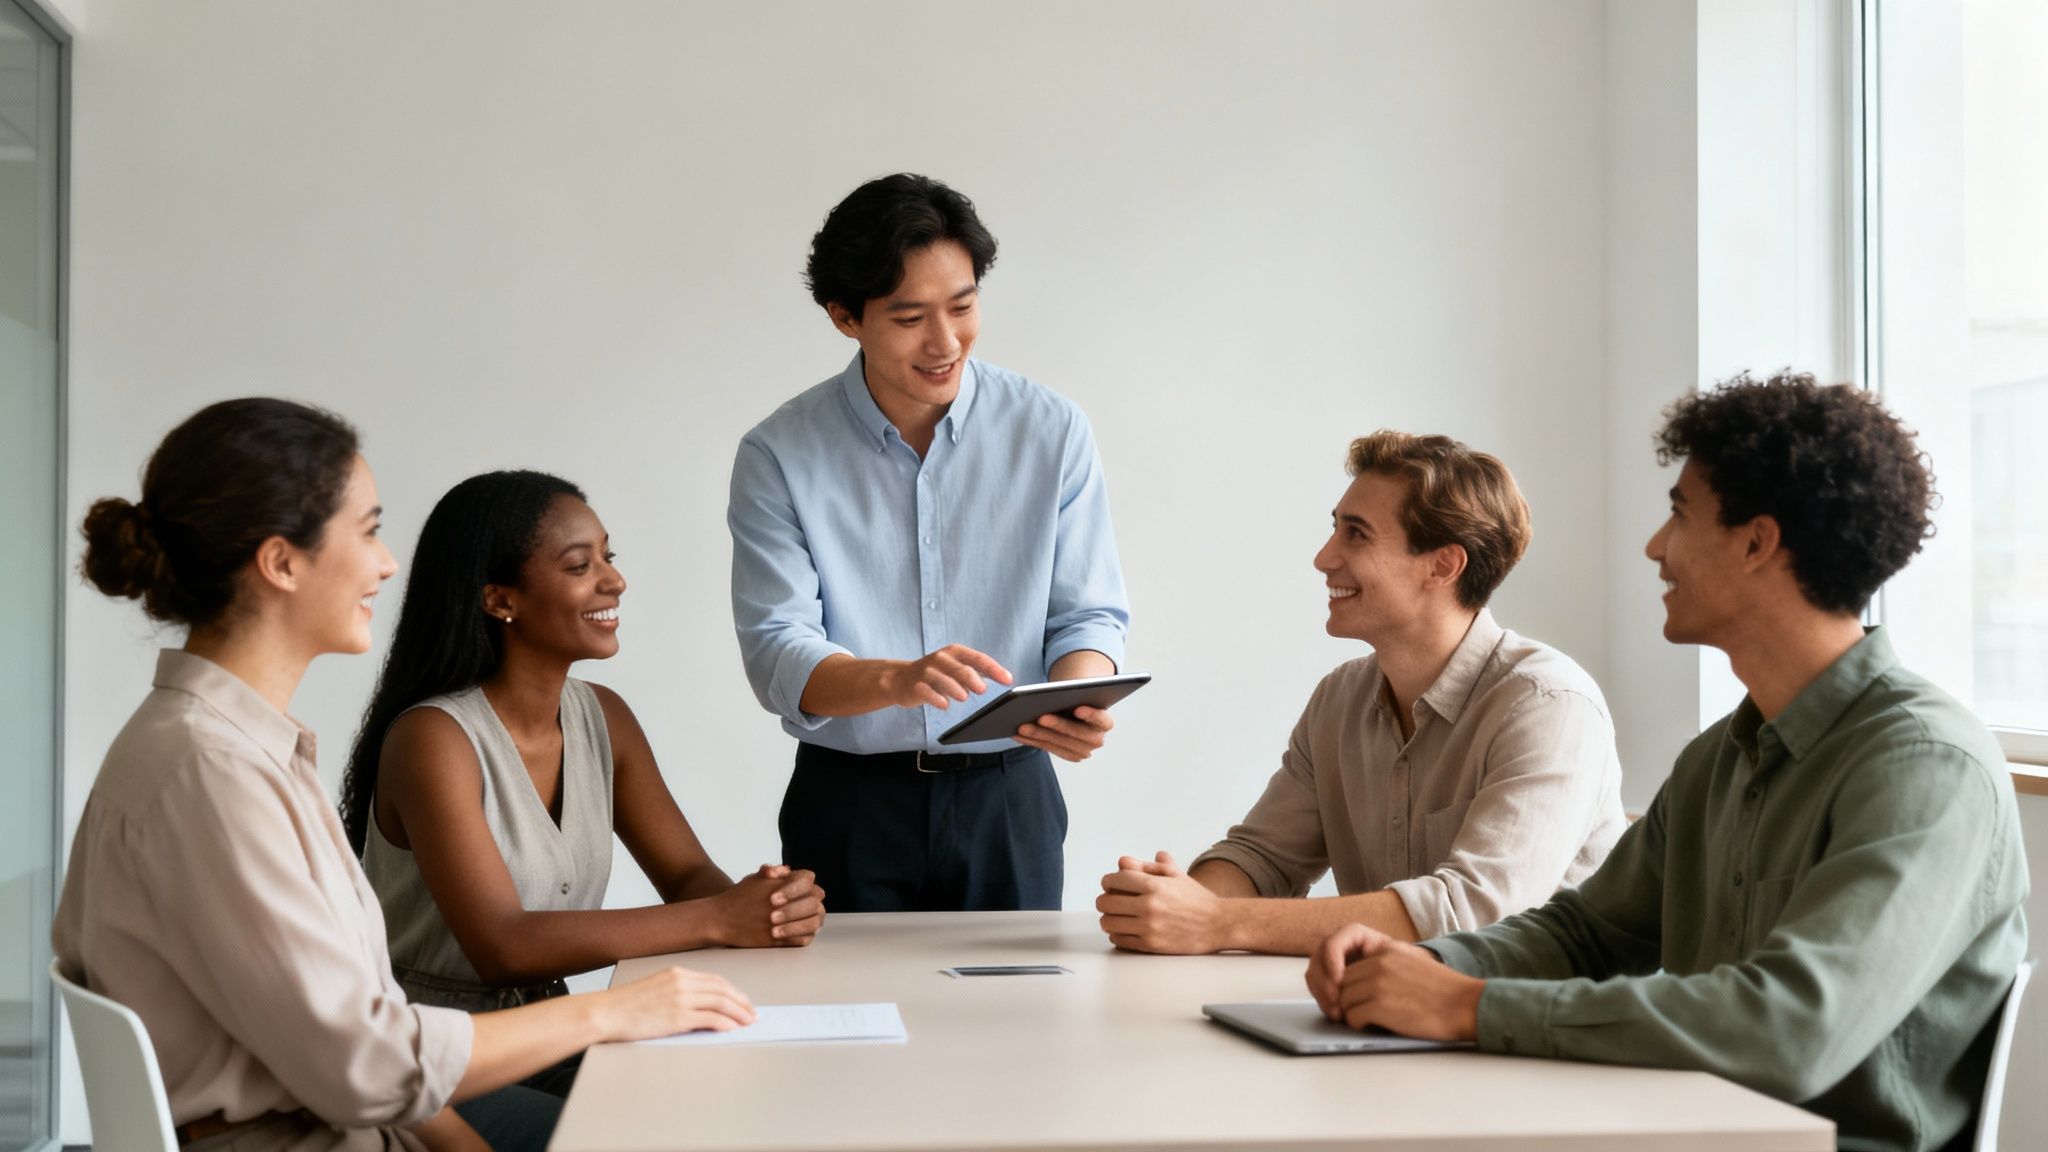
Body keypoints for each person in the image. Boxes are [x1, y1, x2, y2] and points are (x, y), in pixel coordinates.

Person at [1307, 374, 2029, 1152]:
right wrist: (1417, 966)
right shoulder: (1718, 758)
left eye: (1680, 513)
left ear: (1756, 543)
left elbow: (1787, 1028)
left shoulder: (1927, 767)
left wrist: (1466, 1006)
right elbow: (1584, 934)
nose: (1655, 546)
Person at [56, 399, 755, 1152]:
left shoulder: (234, 750)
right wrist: (613, 1011)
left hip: (355, 1116)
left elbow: (362, 1035)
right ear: (282, 562)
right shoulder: (211, 775)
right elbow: (367, 1065)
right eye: (367, 531)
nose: (387, 565)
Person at [338, 471, 824, 1098]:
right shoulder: (432, 739)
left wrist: (769, 907)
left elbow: (686, 877)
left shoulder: (604, 717)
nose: (614, 581)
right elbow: (503, 945)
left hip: (554, 1034)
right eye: (579, 565)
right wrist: (720, 919)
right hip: (437, 1065)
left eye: (608, 557)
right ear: (500, 600)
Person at [728, 173, 1130, 912]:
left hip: (1010, 797)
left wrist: (1075, 698)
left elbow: (1088, 614)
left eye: (963, 306)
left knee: (1019, 992)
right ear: (845, 317)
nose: (945, 342)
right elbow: (777, 651)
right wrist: (895, 680)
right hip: (850, 804)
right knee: (847, 990)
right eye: (910, 317)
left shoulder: (1052, 430)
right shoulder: (779, 454)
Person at [1098, 431, 1626, 956]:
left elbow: (1474, 912)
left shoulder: (1549, 704)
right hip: (1391, 1001)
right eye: (1335, 529)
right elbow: (1263, 859)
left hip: (1533, 1007)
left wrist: (1216, 921)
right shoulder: (1340, 698)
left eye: (1356, 534)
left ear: (1443, 565)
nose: (1324, 557)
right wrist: (1172, 905)